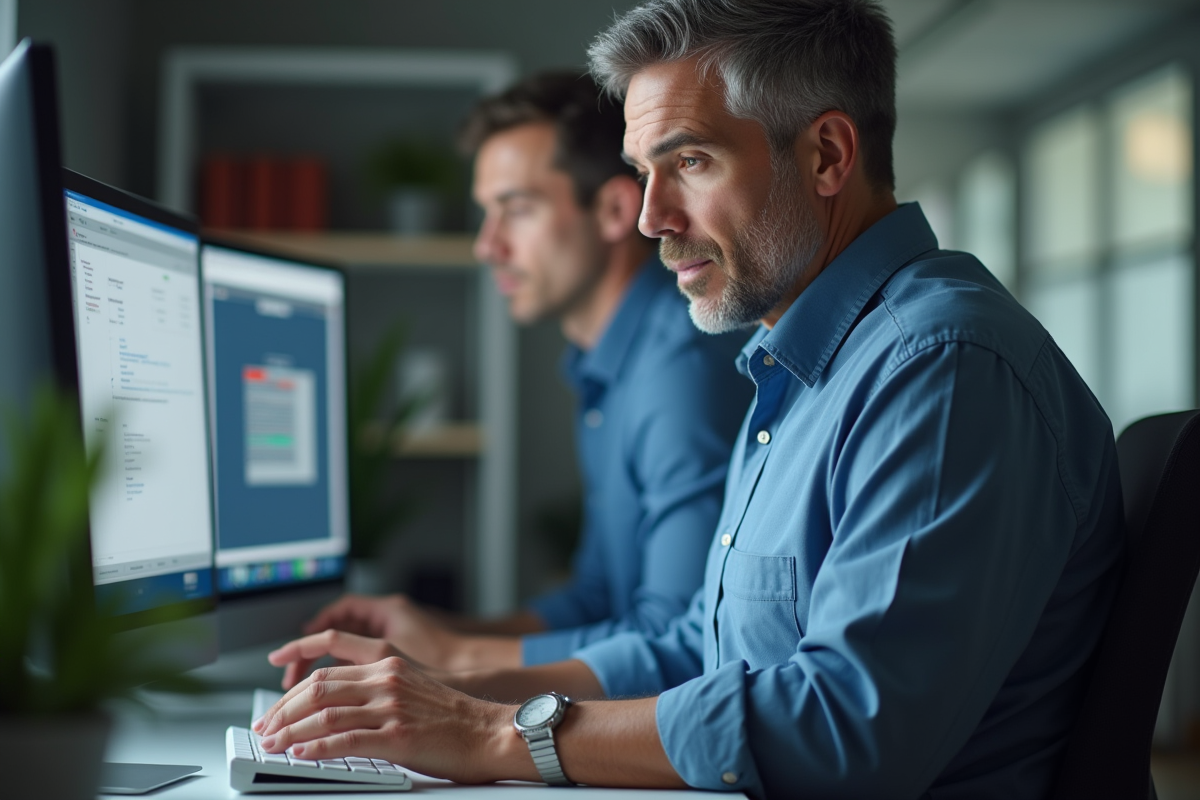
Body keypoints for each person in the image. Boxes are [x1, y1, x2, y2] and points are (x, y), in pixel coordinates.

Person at [255, 2, 1125, 797]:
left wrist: (486, 733)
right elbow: (695, 652)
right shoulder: (796, 365)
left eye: (692, 162)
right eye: (644, 170)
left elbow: (849, 729)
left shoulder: (939, 368)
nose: (651, 217)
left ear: (827, 155)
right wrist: (445, 695)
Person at [298, 72, 752, 674]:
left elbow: (678, 641)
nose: (488, 246)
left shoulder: (677, 371)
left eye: (516, 210)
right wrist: (430, 633)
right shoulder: (608, 366)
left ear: (615, 209)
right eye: (486, 214)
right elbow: (596, 597)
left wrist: (457, 657)